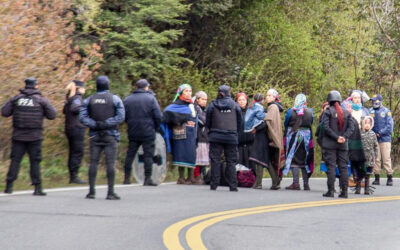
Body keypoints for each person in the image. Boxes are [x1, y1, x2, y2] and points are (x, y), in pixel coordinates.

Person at [1, 77, 57, 195]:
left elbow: (4, 112)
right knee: (35, 161)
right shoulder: (42, 100)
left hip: (18, 136)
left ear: (25, 85)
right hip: (35, 136)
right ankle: (37, 188)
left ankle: (9, 186)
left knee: (15, 160)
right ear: (36, 85)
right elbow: (52, 115)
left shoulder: (16, 99)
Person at [79, 76, 125, 200]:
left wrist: (95, 124)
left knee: (93, 163)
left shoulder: (89, 99)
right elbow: (120, 117)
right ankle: (110, 192)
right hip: (110, 134)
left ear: (96, 86)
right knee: (110, 163)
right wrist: (107, 123)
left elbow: (82, 117)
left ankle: (91, 192)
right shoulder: (115, 99)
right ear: (108, 85)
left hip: (94, 134)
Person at [123, 79, 162, 186]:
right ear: (146, 87)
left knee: (130, 154)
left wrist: (130, 124)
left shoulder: (127, 99)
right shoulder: (151, 99)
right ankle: (147, 178)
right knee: (148, 155)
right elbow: (158, 116)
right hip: (148, 131)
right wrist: (156, 128)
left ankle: (126, 178)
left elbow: (123, 116)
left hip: (133, 131)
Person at [206, 85, 242, 191]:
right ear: (228, 93)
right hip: (231, 136)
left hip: (215, 136)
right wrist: (235, 133)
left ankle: (214, 184)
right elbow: (240, 122)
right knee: (231, 161)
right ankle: (233, 185)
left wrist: (212, 131)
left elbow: (208, 121)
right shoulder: (235, 105)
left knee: (215, 160)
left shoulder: (213, 105)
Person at [321, 90, 354, 198]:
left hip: (330, 144)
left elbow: (326, 127)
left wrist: (336, 137)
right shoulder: (347, 113)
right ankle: (344, 192)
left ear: (329, 101)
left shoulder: (327, 112)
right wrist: (344, 137)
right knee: (343, 167)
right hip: (343, 145)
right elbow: (351, 128)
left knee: (331, 167)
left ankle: (330, 191)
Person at [163, 84, 197, 184]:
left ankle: (190, 177)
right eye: (186, 91)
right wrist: (179, 120)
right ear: (181, 93)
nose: (189, 93)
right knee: (180, 154)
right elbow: (167, 116)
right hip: (179, 133)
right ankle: (181, 177)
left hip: (191, 134)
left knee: (191, 154)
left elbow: (195, 118)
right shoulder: (174, 106)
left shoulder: (191, 105)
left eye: (190, 91)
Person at [283, 94, 314, 191]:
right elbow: (310, 123)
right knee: (305, 159)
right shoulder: (310, 112)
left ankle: (296, 183)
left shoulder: (290, 112)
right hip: (306, 138)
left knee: (294, 158)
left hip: (293, 137)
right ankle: (306, 184)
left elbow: (286, 123)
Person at [342, 90, 369, 190]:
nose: (357, 100)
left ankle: (360, 178)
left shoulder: (365, 110)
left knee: (361, 158)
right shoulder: (348, 109)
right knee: (351, 158)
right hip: (351, 136)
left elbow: (370, 123)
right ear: (351, 99)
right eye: (355, 98)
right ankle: (352, 177)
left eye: (358, 98)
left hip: (363, 136)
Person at [63, 80, 87, 184]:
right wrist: (86, 109)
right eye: (84, 87)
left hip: (69, 128)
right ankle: (74, 176)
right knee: (78, 152)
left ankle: (72, 175)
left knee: (72, 152)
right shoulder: (77, 98)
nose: (85, 89)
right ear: (79, 88)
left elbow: (64, 111)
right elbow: (75, 108)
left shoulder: (69, 98)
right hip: (77, 128)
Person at [369, 94, 394, 186]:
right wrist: (373, 134)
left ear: (379, 101)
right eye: (372, 100)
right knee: (376, 158)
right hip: (374, 138)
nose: (373, 102)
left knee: (386, 158)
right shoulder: (370, 111)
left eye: (375, 100)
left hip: (385, 139)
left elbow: (389, 126)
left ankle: (389, 177)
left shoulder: (386, 111)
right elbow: (367, 123)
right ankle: (377, 177)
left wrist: (380, 133)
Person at [246, 94, 269, 189]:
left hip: (259, 136)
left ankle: (258, 183)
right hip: (261, 136)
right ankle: (258, 182)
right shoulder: (261, 109)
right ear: (262, 100)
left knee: (259, 160)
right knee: (259, 160)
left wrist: (255, 128)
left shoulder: (252, 107)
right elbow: (264, 122)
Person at [264, 89, 284, 190]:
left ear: (274, 97)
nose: (267, 97)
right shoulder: (275, 107)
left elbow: (268, 122)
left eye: (269, 95)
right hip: (276, 138)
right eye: (266, 95)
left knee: (270, 161)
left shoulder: (272, 107)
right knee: (273, 161)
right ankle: (276, 181)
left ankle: (275, 182)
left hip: (272, 139)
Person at [193, 91, 209, 184]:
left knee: (203, 157)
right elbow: (203, 121)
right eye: (203, 99)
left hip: (204, 136)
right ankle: (197, 176)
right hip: (198, 136)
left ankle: (203, 176)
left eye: (206, 100)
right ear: (197, 99)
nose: (204, 101)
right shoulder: (196, 108)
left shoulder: (203, 109)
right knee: (199, 157)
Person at [360, 116, 379, 195]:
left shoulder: (373, 134)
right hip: (361, 157)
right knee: (360, 173)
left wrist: (376, 155)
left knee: (368, 174)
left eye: (369, 123)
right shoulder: (360, 133)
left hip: (370, 157)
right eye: (365, 123)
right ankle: (358, 187)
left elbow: (376, 146)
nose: (367, 125)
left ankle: (366, 188)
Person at [236, 92, 254, 171]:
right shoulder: (235, 112)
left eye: (243, 100)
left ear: (246, 101)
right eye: (239, 100)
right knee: (239, 165)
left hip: (250, 143)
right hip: (238, 143)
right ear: (237, 101)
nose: (242, 101)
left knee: (250, 165)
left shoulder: (251, 112)